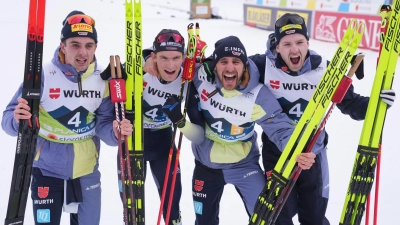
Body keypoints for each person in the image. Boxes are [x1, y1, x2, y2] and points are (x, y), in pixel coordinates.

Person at [245, 13, 396, 225]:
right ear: (277, 47)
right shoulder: (262, 66)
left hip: (312, 155)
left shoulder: (325, 70)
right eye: (286, 44)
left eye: (299, 42)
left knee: (313, 217)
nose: (294, 50)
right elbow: (231, 70)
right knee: (278, 216)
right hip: (278, 152)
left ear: (308, 42)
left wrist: (376, 104)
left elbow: (351, 105)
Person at [159, 36, 319, 225]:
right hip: (206, 167)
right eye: (223, 62)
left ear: (244, 66)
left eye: (236, 62)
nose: (229, 68)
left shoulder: (258, 95)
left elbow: (280, 129)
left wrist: (298, 150)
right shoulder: (200, 78)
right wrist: (149, 61)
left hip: (244, 166)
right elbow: (171, 64)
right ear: (214, 65)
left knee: (266, 219)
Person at [1, 10, 132, 225]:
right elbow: (8, 120)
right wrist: (17, 119)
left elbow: (104, 127)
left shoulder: (103, 78)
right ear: (63, 46)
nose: (82, 52)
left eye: (88, 45)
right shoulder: (43, 74)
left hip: (86, 169)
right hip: (46, 168)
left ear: (95, 48)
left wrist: (116, 132)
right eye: (75, 45)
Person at [101, 29, 186, 225]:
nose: (171, 65)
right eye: (163, 58)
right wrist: (142, 61)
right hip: (133, 142)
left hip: (164, 143)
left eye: (176, 58)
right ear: (154, 56)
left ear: (183, 57)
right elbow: (108, 77)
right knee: (131, 210)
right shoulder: (138, 66)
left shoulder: (188, 75)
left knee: (172, 205)